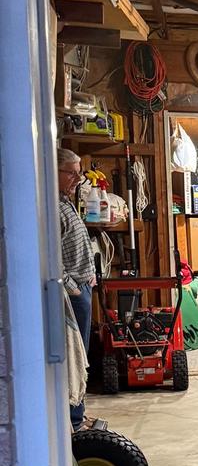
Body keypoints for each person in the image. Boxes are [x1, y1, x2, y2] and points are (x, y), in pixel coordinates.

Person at [58, 147, 96, 428]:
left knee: (82, 352)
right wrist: (73, 287)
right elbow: (50, 256)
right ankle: (74, 417)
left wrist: (90, 276)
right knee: (75, 353)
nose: (77, 178)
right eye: (71, 173)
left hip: (83, 286)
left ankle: (78, 412)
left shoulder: (65, 201)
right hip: (73, 292)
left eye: (78, 173)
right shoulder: (53, 208)